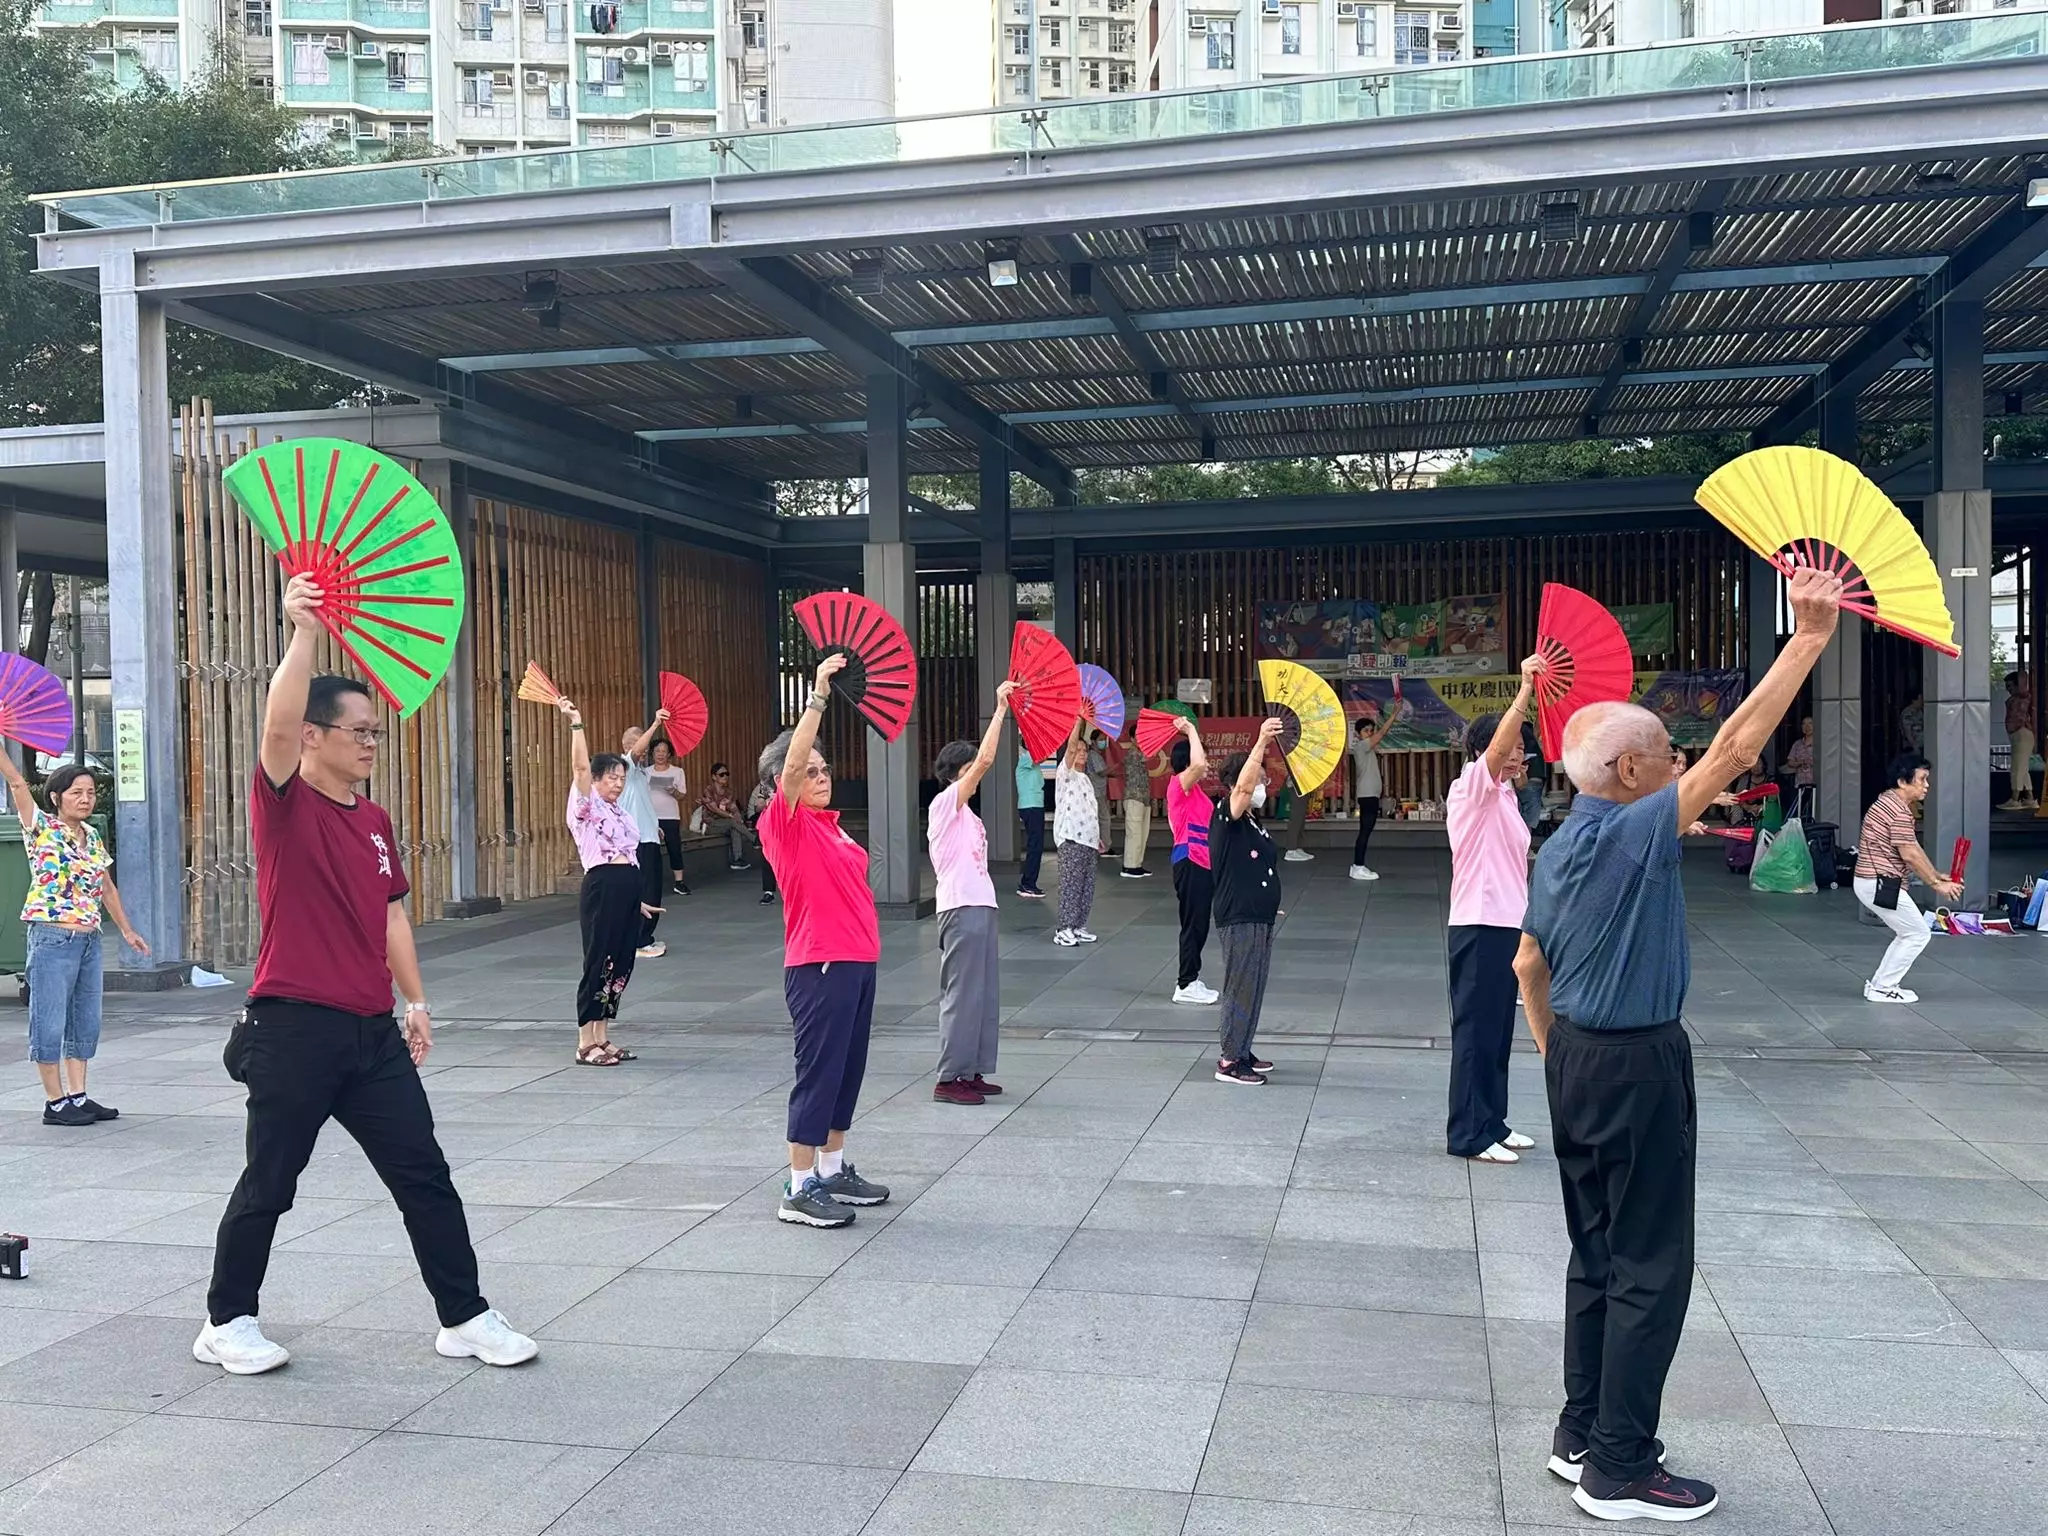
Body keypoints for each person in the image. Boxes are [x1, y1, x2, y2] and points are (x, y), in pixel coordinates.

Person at [1514, 564, 1844, 1523]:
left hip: (1573, 1054)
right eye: (1665, 752)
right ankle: (1620, 1466)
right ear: (1628, 771)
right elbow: (1740, 746)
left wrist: (1555, 1058)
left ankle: (1581, 1433)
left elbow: (1528, 964)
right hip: (1633, 1062)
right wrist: (1811, 639)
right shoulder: (1630, 833)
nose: (1677, 760)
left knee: (1596, 1255)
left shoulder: (1560, 842)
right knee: (1652, 1266)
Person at [197, 572, 536, 1377]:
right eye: (357, 731)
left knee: (424, 1174)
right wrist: (303, 630)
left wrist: (415, 1000)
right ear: (313, 737)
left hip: (370, 1033)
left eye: (376, 733)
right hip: (291, 1027)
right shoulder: (283, 802)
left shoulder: (376, 820)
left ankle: (465, 1315)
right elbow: (276, 722)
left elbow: (390, 916)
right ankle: (226, 1319)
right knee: (271, 1181)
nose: (371, 743)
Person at [756, 653, 891, 1228]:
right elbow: (789, 770)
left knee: (847, 1069)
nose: (820, 775)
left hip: (857, 962)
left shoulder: (829, 826)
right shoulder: (781, 824)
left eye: (823, 767)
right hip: (820, 964)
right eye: (807, 770)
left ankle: (832, 1169)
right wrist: (817, 696)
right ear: (782, 781)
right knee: (818, 1071)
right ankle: (798, 1185)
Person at [2, 757, 146, 1126]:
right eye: (76, 792)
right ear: (56, 797)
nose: (85, 799)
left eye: (91, 792)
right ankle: (55, 1102)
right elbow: (19, 784)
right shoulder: (40, 828)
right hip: (52, 935)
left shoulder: (92, 836)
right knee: (49, 1019)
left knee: (85, 1020)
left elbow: (106, 886)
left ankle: (77, 1096)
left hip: (88, 939)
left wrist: (127, 931)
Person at [1445, 656, 1543, 1165]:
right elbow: (1500, 745)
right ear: (1487, 750)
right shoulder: (1472, 787)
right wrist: (1524, 690)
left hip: (1508, 924)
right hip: (1478, 924)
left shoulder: (1505, 795)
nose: (1519, 754)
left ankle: (1493, 1122)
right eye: (1513, 746)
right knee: (1475, 1032)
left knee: (1498, 1032)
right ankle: (1468, 1133)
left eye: (1524, 749)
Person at [929, 682, 1017, 1105]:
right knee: (963, 992)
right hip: (960, 907)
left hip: (980, 904)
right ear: (956, 771)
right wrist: (1000, 709)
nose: (977, 773)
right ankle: (950, 1077)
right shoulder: (945, 803)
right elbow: (985, 759)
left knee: (984, 992)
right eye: (969, 769)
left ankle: (971, 1069)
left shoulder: (967, 814)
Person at [564, 697, 651, 1066]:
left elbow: (629, 856)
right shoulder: (585, 806)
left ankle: (603, 1035)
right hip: (602, 886)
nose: (617, 783)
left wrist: (637, 899)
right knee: (599, 960)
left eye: (621, 778)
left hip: (626, 889)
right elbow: (580, 767)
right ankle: (586, 1042)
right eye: (611, 777)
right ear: (596, 780)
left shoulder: (619, 811)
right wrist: (577, 724)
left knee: (620, 963)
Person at [1211, 718, 1287, 1085]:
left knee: (1254, 984)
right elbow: (1241, 789)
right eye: (1256, 778)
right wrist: (1260, 742)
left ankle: (1243, 1047)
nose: (1261, 784)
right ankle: (1229, 1059)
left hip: (1258, 915)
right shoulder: (1227, 814)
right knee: (1240, 984)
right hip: (1238, 916)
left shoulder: (1254, 822)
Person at [1852, 753, 1960, 1004]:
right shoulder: (1898, 811)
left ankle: (1880, 985)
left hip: (1874, 882)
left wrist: (1934, 874)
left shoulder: (1889, 802)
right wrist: (1937, 885)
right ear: (1903, 781)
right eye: (1922, 779)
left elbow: (1912, 847)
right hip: (1879, 883)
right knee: (1917, 934)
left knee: (1909, 933)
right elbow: (1909, 854)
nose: (1926, 785)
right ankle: (1883, 987)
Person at [1167, 719, 1218, 1005]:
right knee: (1192, 924)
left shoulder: (1195, 790)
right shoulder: (1179, 784)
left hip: (1201, 862)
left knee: (1198, 923)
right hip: (1189, 861)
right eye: (1201, 755)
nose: (1206, 763)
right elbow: (1198, 765)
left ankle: (1191, 979)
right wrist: (1191, 731)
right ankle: (1185, 984)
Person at [620, 712, 672, 960]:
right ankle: (640, 940)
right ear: (631, 745)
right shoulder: (625, 766)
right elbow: (637, 752)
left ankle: (643, 937)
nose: (649, 748)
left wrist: (655, 825)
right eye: (642, 741)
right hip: (637, 842)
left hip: (649, 837)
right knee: (646, 892)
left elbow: (641, 805)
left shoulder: (639, 773)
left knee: (653, 890)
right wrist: (655, 724)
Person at [1052, 720, 1101, 946]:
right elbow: (1071, 747)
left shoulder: (1085, 779)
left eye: (1085, 750)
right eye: (1078, 750)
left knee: (1086, 886)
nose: (1081, 753)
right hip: (1071, 838)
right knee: (1071, 885)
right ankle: (1064, 928)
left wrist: (1097, 836)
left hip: (1088, 840)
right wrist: (1078, 721)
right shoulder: (1066, 773)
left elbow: (1090, 810)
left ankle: (1078, 925)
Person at [1349, 702, 1399, 881]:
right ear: (1359, 734)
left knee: (1366, 830)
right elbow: (1382, 734)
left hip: (1370, 795)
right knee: (1364, 831)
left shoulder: (1367, 749)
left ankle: (1358, 865)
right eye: (1366, 731)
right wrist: (1393, 715)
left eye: (1371, 730)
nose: (1369, 733)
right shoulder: (1361, 746)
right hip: (1367, 796)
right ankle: (1358, 866)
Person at [644, 739, 691, 895]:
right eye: (657, 751)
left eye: (664, 751)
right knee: (651, 849)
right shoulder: (646, 772)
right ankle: (651, 880)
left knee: (674, 848)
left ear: (669, 754)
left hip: (670, 816)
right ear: (652, 753)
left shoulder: (677, 772)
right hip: (651, 817)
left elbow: (682, 795)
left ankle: (679, 882)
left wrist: (673, 791)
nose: (660, 754)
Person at [1118, 726, 1164, 879]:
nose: (1141, 740)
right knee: (1134, 834)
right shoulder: (1133, 753)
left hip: (1143, 798)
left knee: (1142, 834)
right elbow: (1149, 755)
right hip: (1134, 798)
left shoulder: (1139, 754)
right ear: (1132, 739)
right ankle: (1129, 866)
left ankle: (1137, 864)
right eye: (1139, 736)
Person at [697, 762, 753, 870]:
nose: (725, 776)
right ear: (714, 777)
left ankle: (737, 860)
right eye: (721, 774)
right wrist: (732, 816)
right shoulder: (708, 790)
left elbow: (733, 808)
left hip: (725, 823)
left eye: (727, 774)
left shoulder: (729, 792)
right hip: (710, 824)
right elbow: (714, 809)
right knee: (733, 823)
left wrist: (738, 817)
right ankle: (754, 840)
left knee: (735, 827)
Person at [1015, 746, 1049, 900]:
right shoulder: (1025, 758)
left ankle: (1029, 882)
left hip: (1035, 805)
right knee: (1035, 845)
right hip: (1031, 806)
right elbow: (1039, 757)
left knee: (1036, 845)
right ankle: (1027, 883)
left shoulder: (1030, 762)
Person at [2001, 670, 2037, 810]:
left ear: (2019, 686)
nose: (2009, 690)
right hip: (2021, 735)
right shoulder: (2021, 698)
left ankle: (2015, 799)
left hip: (2021, 734)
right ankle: (2029, 798)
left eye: (2011, 686)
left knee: (2017, 767)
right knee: (2023, 768)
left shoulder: (2022, 698)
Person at [745, 769, 779, 905]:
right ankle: (768, 891)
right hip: (771, 822)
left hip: (790, 822)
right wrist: (767, 801)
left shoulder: (793, 780)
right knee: (768, 857)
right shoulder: (766, 783)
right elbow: (758, 806)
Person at [1086, 729, 1113, 856]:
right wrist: (1118, 765)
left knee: (1101, 819)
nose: (1103, 742)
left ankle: (1102, 845)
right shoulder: (1093, 755)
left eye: (1104, 740)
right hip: (1095, 792)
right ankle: (1104, 847)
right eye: (1100, 740)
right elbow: (1101, 772)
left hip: (1100, 791)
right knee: (1104, 819)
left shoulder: (1097, 755)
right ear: (1093, 741)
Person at [1784, 715, 1816, 821]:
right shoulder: (1797, 744)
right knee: (1798, 811)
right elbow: (1790, 762)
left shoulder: (1820, 743)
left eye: (1810, 723)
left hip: (1816, 783)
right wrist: (1800, 762)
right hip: (1800, 784)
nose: (1807, 727)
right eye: (1804, 724)